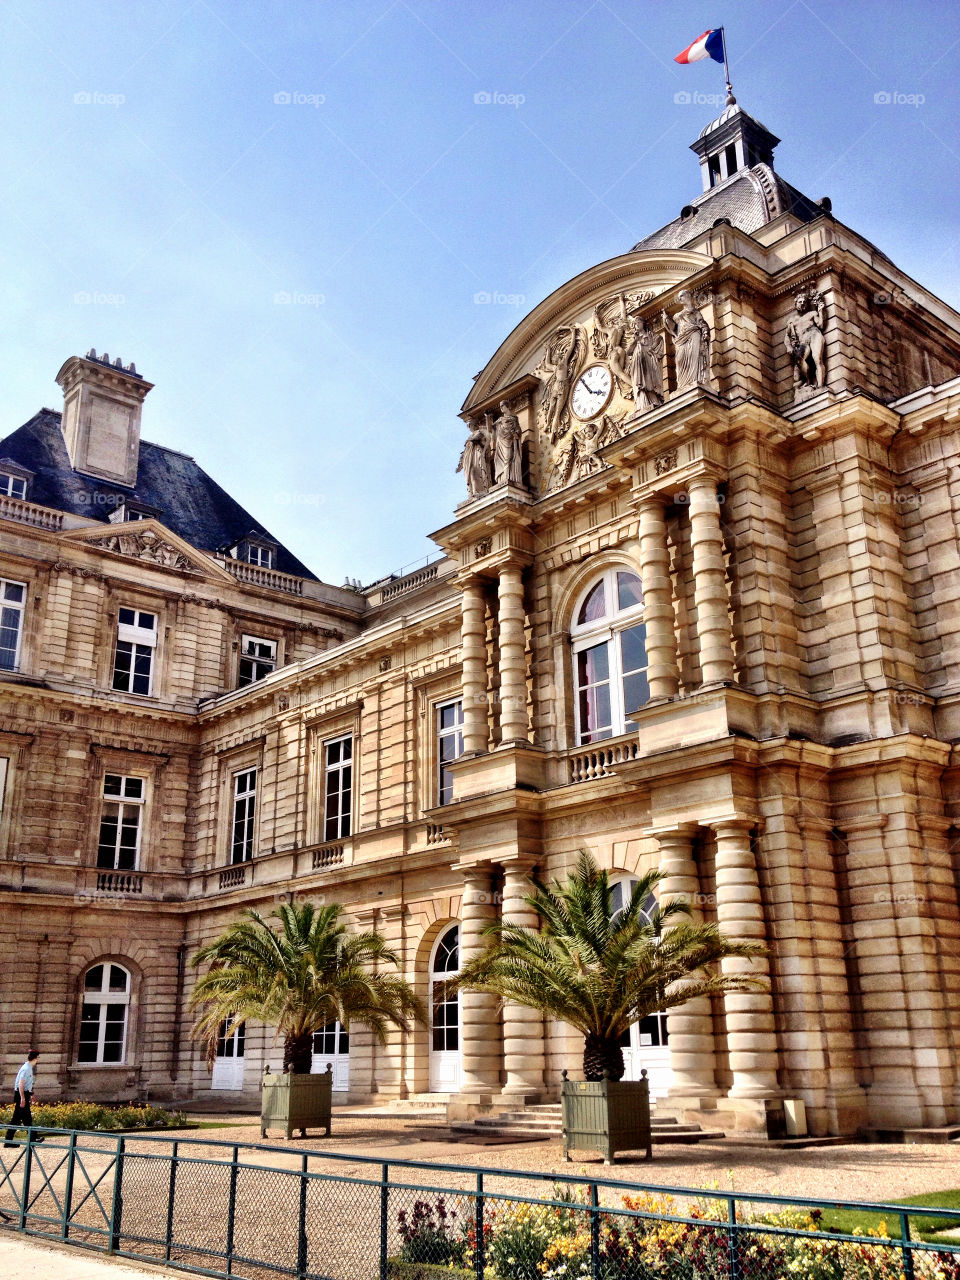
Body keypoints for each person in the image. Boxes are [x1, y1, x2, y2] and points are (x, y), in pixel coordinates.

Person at [4, 1050, 41, 1146]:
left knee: (25, 1118)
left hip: (24, 1094)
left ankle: (31, 1139)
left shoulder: (28, 1068)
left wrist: (31, 1095)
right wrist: (23, 1098)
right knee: (18, 1119)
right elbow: (21, 1084)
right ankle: (9, 1141)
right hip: (21, 1095)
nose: (38, 1060)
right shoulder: (26, 1069)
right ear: (35, 1058)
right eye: (38, 1058)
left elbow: (26, 1085)